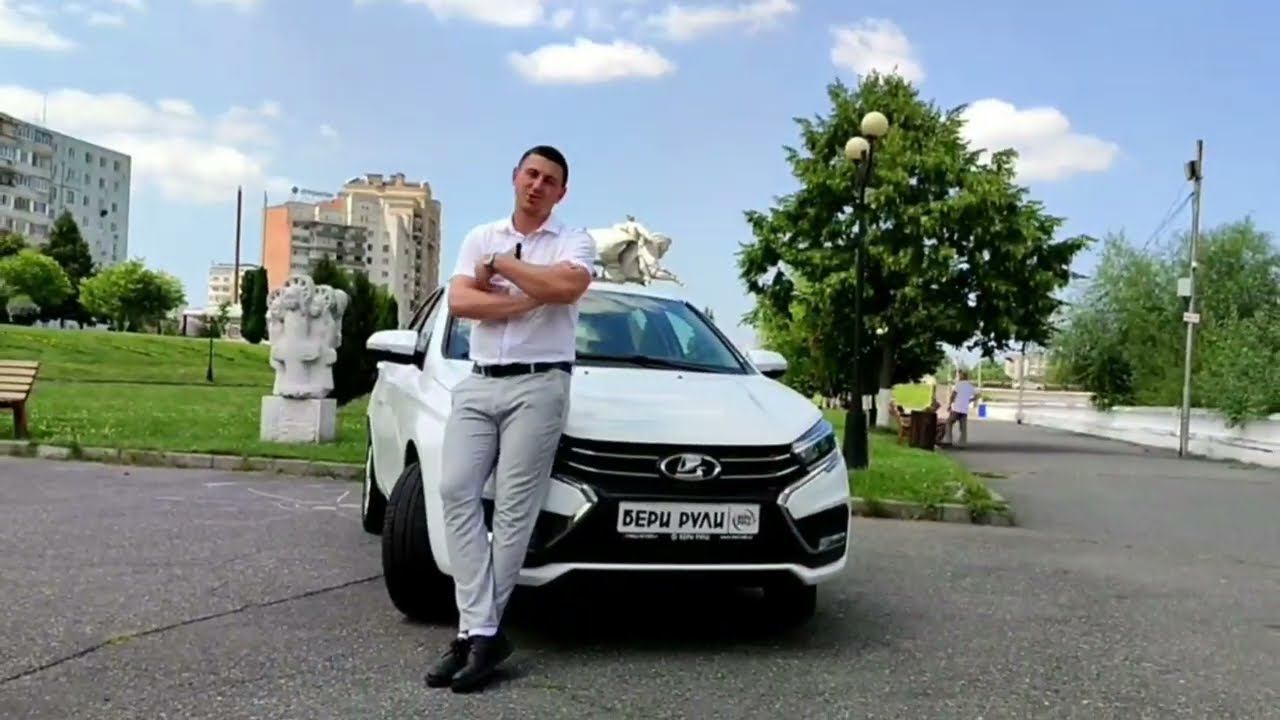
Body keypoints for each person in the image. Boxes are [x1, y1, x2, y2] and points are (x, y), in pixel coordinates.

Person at [424, 145, 596, 694]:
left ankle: (472, 638)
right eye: (531, 174)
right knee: (455, 490)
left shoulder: (574, 240)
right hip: (480, 381)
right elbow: (461, 303)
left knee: (515, 511)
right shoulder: (480, 234)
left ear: (561, 192)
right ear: (515, 177)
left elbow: (567, 288)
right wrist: (528, 299)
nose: (538, 185)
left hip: (540, 383)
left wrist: (501, 267)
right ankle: (484, 631)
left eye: (550, 180)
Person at [938, 370, 977, 446]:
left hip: (957, 408)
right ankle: (962, 443)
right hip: (964, 409)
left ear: (962, 376)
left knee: (949, 422)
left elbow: (953, 396)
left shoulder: (958, 384)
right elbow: (978, 395)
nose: (958, 376)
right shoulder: (970, 386)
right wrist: (970, 400)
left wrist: (949, 405)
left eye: (959, 375)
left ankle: (948, 440)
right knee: (963, 427)